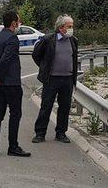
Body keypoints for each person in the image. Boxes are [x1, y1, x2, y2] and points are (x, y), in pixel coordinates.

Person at [31, 14, 78, 144]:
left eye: (72, 26)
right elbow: (36, 54)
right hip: (51, 79)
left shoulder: (73, 40)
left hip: (67, 79)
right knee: (46, 106)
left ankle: (61, 133)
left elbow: (73, 58)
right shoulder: (48, 40)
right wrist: (44, 67)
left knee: (64, 107)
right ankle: (40, 133)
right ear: (61, 27)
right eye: (69, 26)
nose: (71, 29)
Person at [0, 11, 31, 157]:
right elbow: (5, 60)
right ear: (13, 23)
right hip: (11, 83)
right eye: (19, 21)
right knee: (15, 115)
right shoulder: (12, 39)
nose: (19, 24)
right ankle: (13, 147)